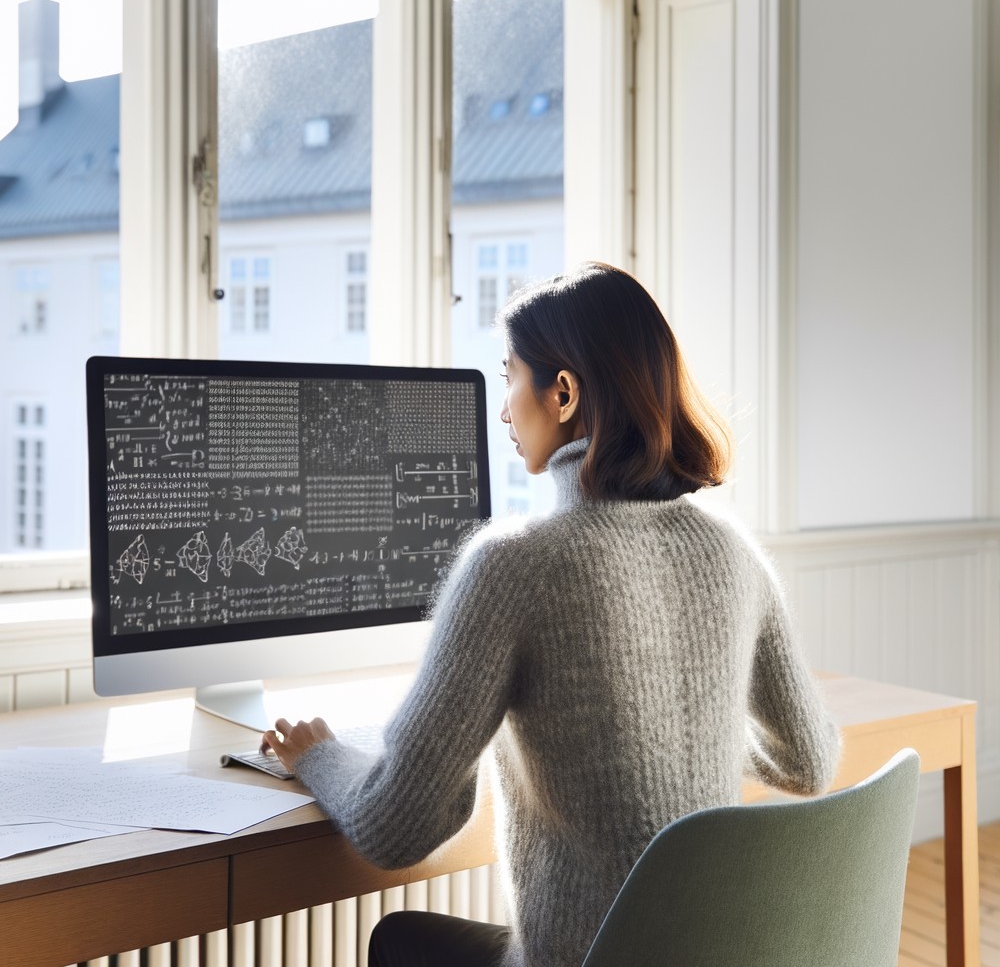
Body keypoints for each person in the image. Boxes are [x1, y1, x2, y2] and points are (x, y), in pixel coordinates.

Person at [263, 262, 842, 967]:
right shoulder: (732, 551)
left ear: (562, 392)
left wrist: (317, 756)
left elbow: (396, 826)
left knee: (396, 938)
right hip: (712, 955)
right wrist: (675, 735)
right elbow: (810, 760)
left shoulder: (514, 564)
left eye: (509, 376)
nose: (505, 409)